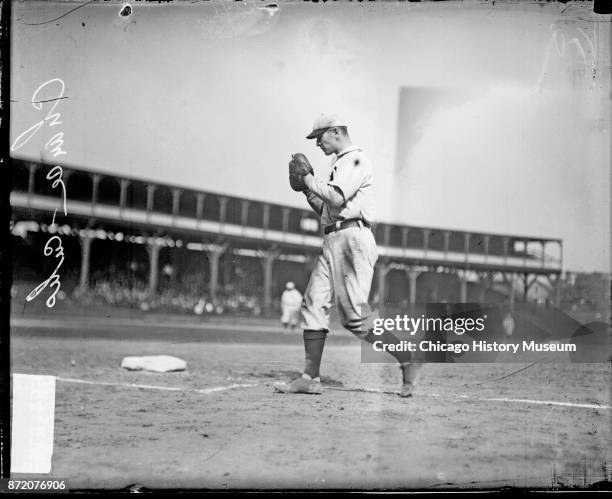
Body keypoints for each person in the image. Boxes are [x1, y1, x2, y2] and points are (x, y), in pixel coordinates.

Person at [274, 114, 422, 397]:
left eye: (320, 136)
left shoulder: (355, 160)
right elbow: (327, 209)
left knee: (354, 316)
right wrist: (307, 190)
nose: (317, 143)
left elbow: (337, 198)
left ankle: (407, 356)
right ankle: (309, 378)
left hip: (353, 238)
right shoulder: (338, 164)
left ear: (337, 132)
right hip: (334, 236)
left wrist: (308, 177)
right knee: (313, 303)